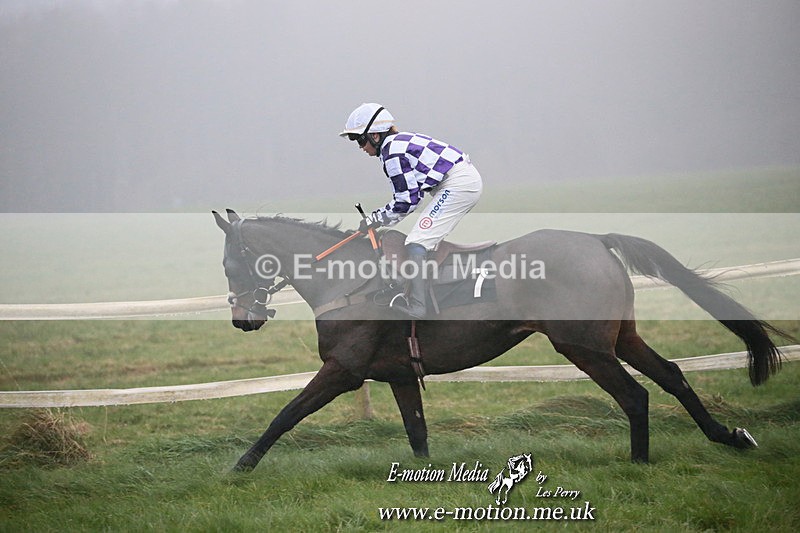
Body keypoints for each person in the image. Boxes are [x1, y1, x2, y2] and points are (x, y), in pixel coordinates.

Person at [339, 103, 483, 319]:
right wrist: (378, 218)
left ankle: (417, 305)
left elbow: (407, 201)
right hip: (457, 181)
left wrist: (376, 219)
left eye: (360, 139)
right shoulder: (395, 145)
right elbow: (409, 198)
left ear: (375, 136)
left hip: (458, 184)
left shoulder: (392, 153)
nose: (360, 147)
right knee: (424, 239)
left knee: (417, 242)